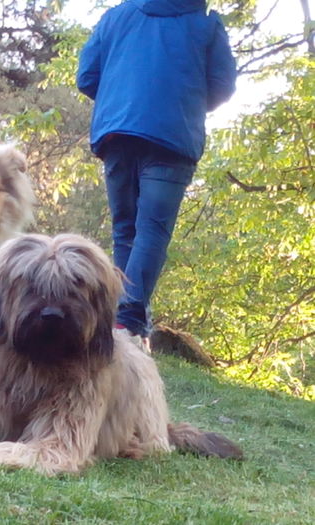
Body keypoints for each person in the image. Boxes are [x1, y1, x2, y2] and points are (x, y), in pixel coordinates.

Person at [76, 0, 237, 350]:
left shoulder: (116, 17)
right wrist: (183, 100)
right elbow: (223, 85)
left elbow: (86, 76)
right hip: (172, 137)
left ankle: (125, 320)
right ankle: (128, 321)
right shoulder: (205, 25)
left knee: (126, 229)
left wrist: (119, 99)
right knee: (152, 230)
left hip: (116, 133)